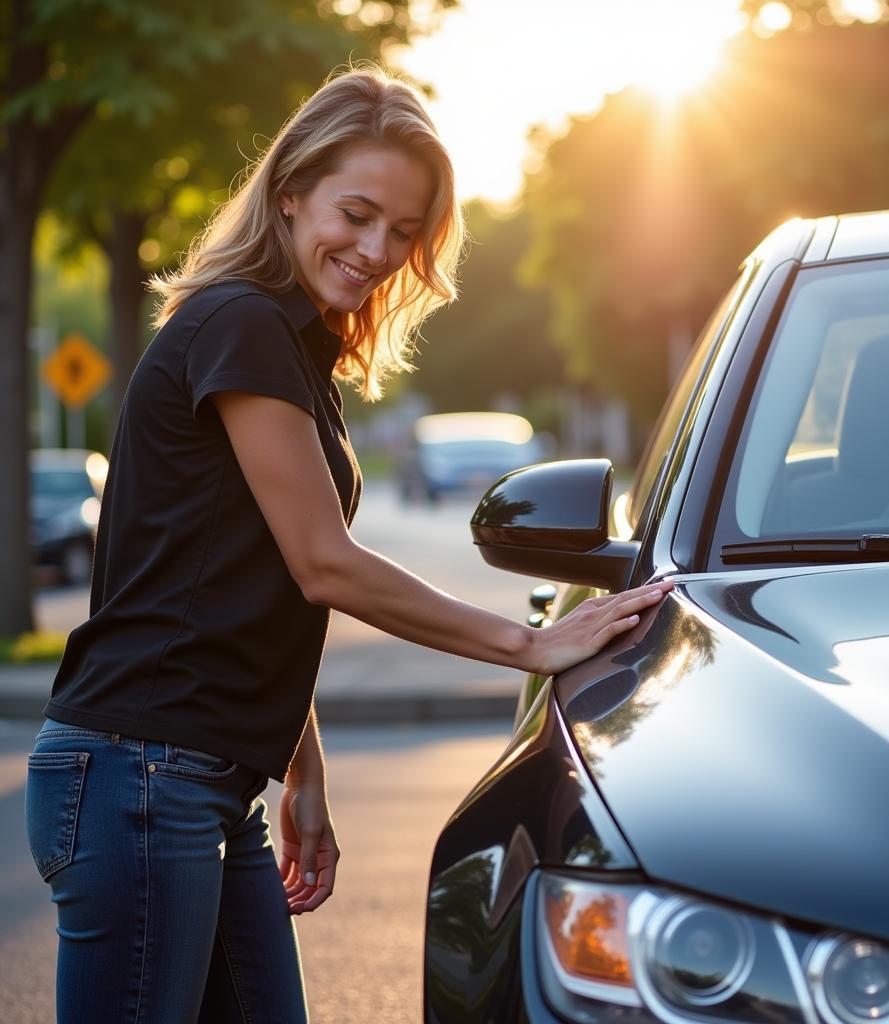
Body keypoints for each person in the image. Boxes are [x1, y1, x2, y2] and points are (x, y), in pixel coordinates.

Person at [24, 66, 672, 1023]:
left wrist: (303, 767)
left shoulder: (287, 349)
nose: (378, 250)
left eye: (404, 232)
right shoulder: (241, 322)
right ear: (290, 194)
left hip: (199, 779)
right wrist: (530, 644)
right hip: (141, 774)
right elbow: (321, 562)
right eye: (357, 214)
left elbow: (246, 585)